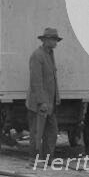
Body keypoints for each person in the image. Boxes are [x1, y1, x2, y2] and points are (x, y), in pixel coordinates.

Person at [26, 27, 62, 164]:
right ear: (46, 40)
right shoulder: (37, 55)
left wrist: (56, 97)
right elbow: (36, 81)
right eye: (53, 40)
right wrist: (42, 102)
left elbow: (52, 78)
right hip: (39, 103)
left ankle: (47, 159)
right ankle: (33, 159)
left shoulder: (49, 54)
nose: (56, 43)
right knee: (37, 132)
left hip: (49, 103)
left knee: (51, 131)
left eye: (56, 40)